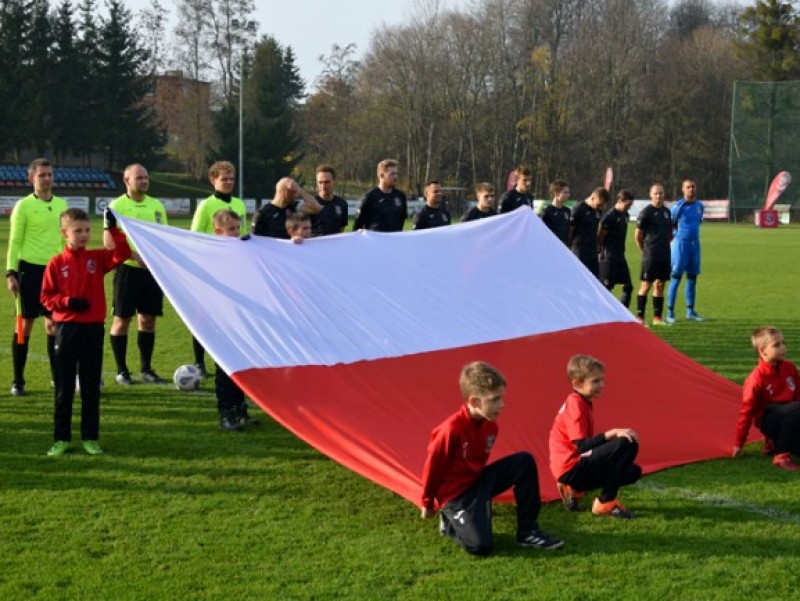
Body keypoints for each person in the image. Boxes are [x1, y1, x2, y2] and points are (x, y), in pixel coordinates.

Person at [420, 361, 564, 556]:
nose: (501, 405)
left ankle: (528, 532)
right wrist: (428, 503)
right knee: (480, 547)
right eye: (494, 400)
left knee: (524, 461)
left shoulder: (491, 426)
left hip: (477, 482)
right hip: (455, 496)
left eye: (501, 398)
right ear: (474, 402)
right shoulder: (450, 430)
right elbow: (433, 467)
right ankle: (450, 522)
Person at [40, 208, 131, 456]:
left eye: (87, 230)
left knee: (90, 386)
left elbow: (122, 253)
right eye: (77, 231)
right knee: (64, 386)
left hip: (92, 329)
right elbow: (46, 298)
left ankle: (90, 437)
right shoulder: (56, 264)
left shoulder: (96, 258)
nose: (83, 235)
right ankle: (61, 439)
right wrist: (67, 302)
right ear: (64, 233)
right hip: (67, 330)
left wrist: (112, 228)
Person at [549, 354, 641, 518]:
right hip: (570, 466)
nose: (602, 385)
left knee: (632, 472)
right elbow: (581, 445)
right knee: (628, 443)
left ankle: (575, 489)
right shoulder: (576, 404)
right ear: (577, 384)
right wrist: (611, 434)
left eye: (602, 380)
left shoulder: (581, 401)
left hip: (572, 465)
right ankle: (605, 502)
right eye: (596, 381)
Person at [6, 158, 68, 396]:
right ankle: (18, 380)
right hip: (28, 271)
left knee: (54, 326)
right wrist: (11, 272)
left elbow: (64, 241)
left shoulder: (61, 204)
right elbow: (15, 241)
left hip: (54, 273)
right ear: (31, 178)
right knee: (24, 325)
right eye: (42, 175)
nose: (47, 179)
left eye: (50, 174)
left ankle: (57, 377)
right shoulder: (23, 206)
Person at [107, 164, 169, 385]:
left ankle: (146, 368)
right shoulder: (115, 206)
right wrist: (135, 257)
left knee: (148, 320)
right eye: (139, 178)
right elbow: (109, 242)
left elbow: (163, 237)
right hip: (128, 271)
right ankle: (122, 370)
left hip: (152, 273)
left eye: (146, 177)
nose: (144, 181)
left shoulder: (156, 206)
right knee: (122, 320)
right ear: (127, 181)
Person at [189, 161, 247, 376]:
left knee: (228, 316)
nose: (229, 182)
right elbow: (194, 236)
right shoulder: (205, 205)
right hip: (210, 269)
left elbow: (243, 235)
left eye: (231, 178)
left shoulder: (239, 204)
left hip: (232, 270)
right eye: (224, 179)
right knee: (203, 317)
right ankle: (199, 362)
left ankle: (226, 359)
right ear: (213, 180)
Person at [210, 209, 261, 431]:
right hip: (222, 319)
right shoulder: (211, 254)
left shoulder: (242, 250)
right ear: (218, 231)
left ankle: (240, 408)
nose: (236, 232)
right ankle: (226, 413)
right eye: (231, 229)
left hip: (241, 318)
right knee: (225, 367)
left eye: (238, 227)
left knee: (242, 364)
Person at [733, 326, 800, 470]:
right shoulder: (756, 378)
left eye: (783, 343)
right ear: (762, 351)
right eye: (777, 345)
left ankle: (774, 442)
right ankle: (781, 455)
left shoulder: (790, 368)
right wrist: (739, 443)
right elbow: (747, 411)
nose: (783, 348)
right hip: (769, 418)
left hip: (793, 417)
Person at [666, 178, 704, 323]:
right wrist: (674, 241)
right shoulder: (677, 207)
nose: (691, 189)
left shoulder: (700, 206)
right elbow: (670, 225)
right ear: (683, 189)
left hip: (695, 245)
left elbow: (698, 221)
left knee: (692, 278)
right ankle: (670, 313)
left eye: (693, 187)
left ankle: (690, 312)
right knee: (676, 277)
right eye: (688, 187)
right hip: (680, 245)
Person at [635, 183, 673, 327]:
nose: (658, 196)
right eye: (656, 193)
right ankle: (640, 318)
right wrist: (644, 251)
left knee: (661, 284)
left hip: (664, 254)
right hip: (650, 254)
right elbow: (637, 235)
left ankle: (657, 318)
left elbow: (668, 233)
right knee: (646, 285)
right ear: (651, 195)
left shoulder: (666, 212)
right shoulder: (646, 212)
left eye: (661, 193)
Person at [598, 189, 634, 308]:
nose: (629, 207)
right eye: (627, 205)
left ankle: (623, 315)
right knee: (606, 288)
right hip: (608, 256)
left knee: (628, 287)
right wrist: (600, 252)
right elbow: (601, 236)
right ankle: (601, 314)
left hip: (620, 256)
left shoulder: (625, 215)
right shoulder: (609, 216)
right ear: (620, 201)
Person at [252, 177, 321, 239]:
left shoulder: (295, 207)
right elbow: (255, 240)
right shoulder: (263, 213)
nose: (296, 196)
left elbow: (317, 208)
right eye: (294, 192)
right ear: (286, 192)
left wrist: (300, 190)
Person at [352, 159, 408, 232]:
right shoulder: (370, 197)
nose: (396, 177)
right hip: (374, 242)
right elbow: (357, 226)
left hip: (394, 241)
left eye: (396, 174)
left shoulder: (400, 196)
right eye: (392, 174)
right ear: (382, 175)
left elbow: (401, 221)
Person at [569, 187, 607, 277]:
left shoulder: (598, 211)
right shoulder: (578, 209)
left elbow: (595, 227)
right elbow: (570, 230)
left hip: (592, 251)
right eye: (599, 204)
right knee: (580, 278)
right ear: (593, 197)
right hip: (579, 250)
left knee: (595, 278)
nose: (600, 207)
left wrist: (598, 244)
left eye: (602, 205)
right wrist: (568, 246)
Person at [311, 164, 349, 236]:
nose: (323, 186)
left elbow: (341, 229)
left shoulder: (342, 204)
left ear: (334, 181)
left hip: (334, 246)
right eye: (320, 182)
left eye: (327, 182)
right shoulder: (311, 203)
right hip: (315, 245)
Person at [541, 179, 571, 245]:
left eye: (568, 192)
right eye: (565, 192)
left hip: (564, 247)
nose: (568, 195)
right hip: (551, 247)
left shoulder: (567, 211)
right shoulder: (547, 211)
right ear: (556, 193)